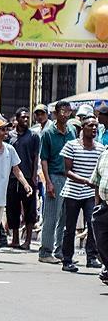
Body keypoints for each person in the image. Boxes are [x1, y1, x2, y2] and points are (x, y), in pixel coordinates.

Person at [59, 115, 105, 272]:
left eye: (96, 126)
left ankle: (91, 257)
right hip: (72, 192)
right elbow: (67, 171)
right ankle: (67, 259)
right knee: (70, 227)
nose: (93, 129)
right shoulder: (71, 146)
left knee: (92, 226)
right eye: (90, 126)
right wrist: (86, 181)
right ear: (82, 128)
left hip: (91, 193)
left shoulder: (100, 149)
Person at [39, 100, 77, 264]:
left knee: (65, 217)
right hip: (54, 176)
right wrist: (48, 182)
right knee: (51, 216)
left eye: (68, 111)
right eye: (63, 111)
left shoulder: (72, 131)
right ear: (55, 112)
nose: (65, 114)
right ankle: (45, 252)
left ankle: (59, 250)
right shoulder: (48, 133)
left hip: (70, 177)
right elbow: (44, 159)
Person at [0, 120, 33, 253]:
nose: (5, 133)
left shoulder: (9, 149)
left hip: (2, 192)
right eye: (2, 130)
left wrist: (25, 184)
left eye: (6, 130)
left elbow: (16, 169)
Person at [8, 108, 41, 250]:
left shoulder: (33, 136)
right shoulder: (9, 136)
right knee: (12, 208)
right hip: (11, 178)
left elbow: (35, 157)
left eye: (28, 117)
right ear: (17, 119)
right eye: (23, 117)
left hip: (28, 177)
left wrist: (34, 177)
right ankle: (15, 238)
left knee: (29, 210)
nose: (26, 120)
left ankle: (27, 240)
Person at [88, 145, 108, 284]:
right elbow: (96, 181)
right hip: (104, 205)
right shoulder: (104, 154)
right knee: (101, 240)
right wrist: (97, 205)